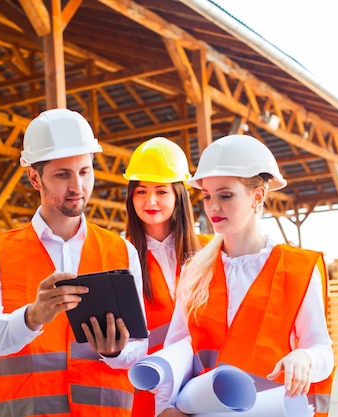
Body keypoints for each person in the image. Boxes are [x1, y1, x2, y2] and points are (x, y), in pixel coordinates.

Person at [0, 108, 148, 417]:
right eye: (62, 174)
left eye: (84, 171)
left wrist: (115, 352)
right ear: (34, 177)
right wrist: (32, 317)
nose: (77, 186)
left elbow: (139, 346)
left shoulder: (121, 251)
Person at [155, 134, 335, 417]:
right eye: (206, 196)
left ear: (258, 195)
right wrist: (165, 407)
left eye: (225, 195)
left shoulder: (298, 268)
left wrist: (305, 357)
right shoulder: (195, 271)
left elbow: (322, 349)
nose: (213, 207)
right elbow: (176, 350)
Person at [123, 137, 208, 417]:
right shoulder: (120, 257)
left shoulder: (209, 254)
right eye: (141, 191)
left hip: (201, 386)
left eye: (161, 191)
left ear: (177, 196)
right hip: (145, 388)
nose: (151, 201)